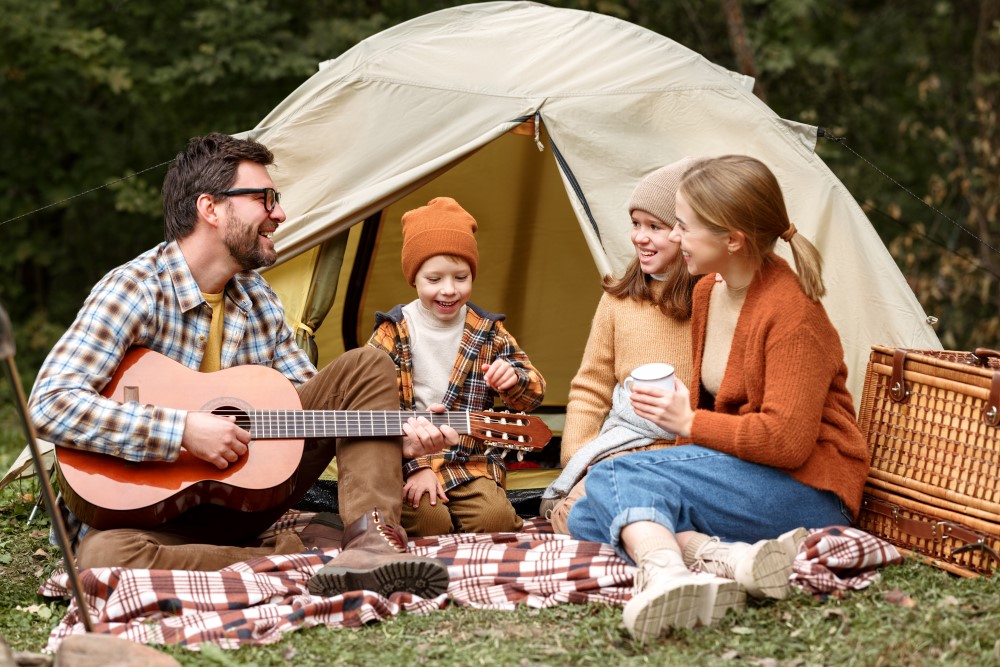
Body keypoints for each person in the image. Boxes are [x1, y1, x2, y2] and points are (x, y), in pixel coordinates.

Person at [27, 133, 459, 600]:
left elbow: (314, 411)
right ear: (210, 208)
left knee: (366, 366)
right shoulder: (134, 289)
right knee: (103, 557)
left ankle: (372, 548)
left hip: (250, 499)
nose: (280, 213)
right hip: (152, 518)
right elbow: (50, 404)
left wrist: (391, 437)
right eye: (264, 199)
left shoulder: (257, 295)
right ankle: (302, 559)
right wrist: (182, 430)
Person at [567, 155, 869, 641]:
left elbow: (788, 443)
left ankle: (667, 576)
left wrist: (687, 422)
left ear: (732, 240)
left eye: (683, 227)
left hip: (810, 490)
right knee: (588, 512)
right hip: (747, 472)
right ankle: (729, 558)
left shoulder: (793, 315)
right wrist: (690, 427)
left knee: (614, 480)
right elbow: (720, 411)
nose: (675, 237)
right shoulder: (710, 290)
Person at [367, 197, 546, 536]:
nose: (449, 290)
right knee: (429, 522)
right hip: (406, 460)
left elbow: (534, 395)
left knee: (496, 520)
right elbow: (371, 406)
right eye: (434, 279)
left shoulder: (488, 331)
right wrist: (418, 466)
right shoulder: (393, 332)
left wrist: (513, 381)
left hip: (468, 463)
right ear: (414, 278)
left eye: (460, 277)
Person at [541, 157, 700, 534]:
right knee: (570, 515)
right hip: (618, 448)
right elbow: (591, 386)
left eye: (655, 226)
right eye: (636, 224)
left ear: (685, 232)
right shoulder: (618, 299)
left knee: (625, 513)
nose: (639, 237)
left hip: (684, 452)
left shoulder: (711, 298)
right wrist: (580, 457)